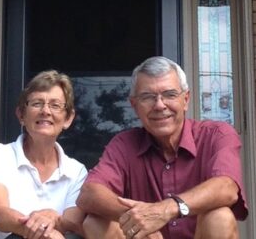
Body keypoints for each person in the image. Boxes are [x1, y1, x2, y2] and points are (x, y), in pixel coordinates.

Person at [76, 57, 247, 239]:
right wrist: (138, 219)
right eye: (148, 97)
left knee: (219, 216)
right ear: (134, 105)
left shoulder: (217, 134)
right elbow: (89, 193)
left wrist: (165, 210)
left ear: (185, 100)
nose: (159, 105)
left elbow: (227, 188)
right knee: (96, 222)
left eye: (170, 95)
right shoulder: (124, 144)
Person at [0, 70, 87, 239]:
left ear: (68, 118)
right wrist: (46, 229)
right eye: (37, 103)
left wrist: (54, 218)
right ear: (21, 115)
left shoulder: (77, 172)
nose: (46, 111)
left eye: (55, 105)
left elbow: (73, 222)